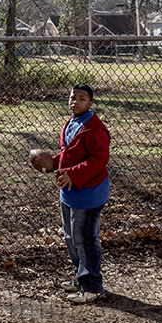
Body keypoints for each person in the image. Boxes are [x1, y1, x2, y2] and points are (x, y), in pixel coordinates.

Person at [51, 84, 110, 304]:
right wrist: (52, 162)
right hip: (70, 191)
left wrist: (73, 175)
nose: (75, 102)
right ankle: (81, 277)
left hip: (89, 192)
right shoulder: (71, 123)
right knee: (71, 237)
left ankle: (93, 287)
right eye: (72, 97)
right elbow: (70, 153)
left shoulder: (95, 127)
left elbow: (99, 160)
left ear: (90, 103)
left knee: (85, 238)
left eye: (81, 99)